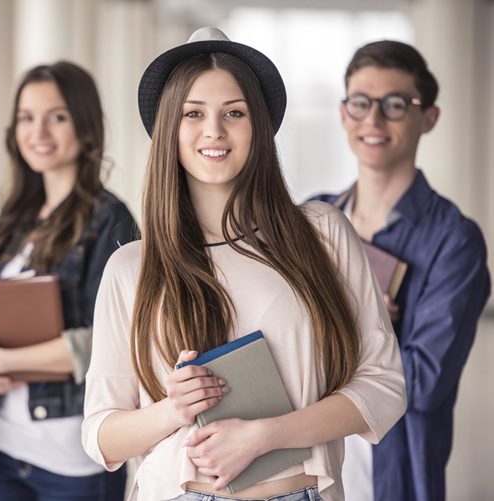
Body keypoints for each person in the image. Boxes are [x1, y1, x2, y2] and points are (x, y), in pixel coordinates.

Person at [81, 27, 408, 501]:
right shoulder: (132, 267)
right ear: (169, 127)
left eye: (234, 112)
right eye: (194, 113)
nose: (214, 130)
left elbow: (383, 386)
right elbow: (100, 435)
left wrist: (267, 435)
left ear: (259, 126)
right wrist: (173, 409)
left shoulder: (321, 233)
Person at [310, 40, 490, 501]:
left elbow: (423, 384)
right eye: (360, 103)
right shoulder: (310, 220)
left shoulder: (455, 241)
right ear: (343, 112)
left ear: (428, 117)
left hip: (389, 478)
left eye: (395, 104)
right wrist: (367, 324)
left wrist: (341, 322)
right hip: (304, 469)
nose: (373, 120)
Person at [0, 61, 135, 501]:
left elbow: (112, 342)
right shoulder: (15, 220)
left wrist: (3, 362)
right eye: (26, 117)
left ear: (84, 125)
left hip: (72, 457)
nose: (38, 131)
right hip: (3, 446)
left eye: (56, 117)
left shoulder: (110, 220)